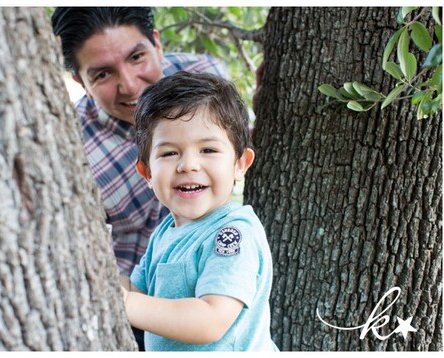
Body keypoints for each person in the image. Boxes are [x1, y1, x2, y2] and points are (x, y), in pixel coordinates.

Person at [51, 7, 228, 277]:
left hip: (221, 275)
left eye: (136, 57)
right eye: (103, 74)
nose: (131, 86)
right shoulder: (71, 152)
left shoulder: (207, 79)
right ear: (81, 82)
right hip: (131, 301)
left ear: (156, 44)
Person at [120, 71, 277, 351]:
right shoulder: (166, 232)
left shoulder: (233, 234)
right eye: (169, 153)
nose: (188, 165)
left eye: (207, 150)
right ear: (146, 172)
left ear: (240, 164)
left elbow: (211, 320)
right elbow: (137, 290)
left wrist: (127, 303)